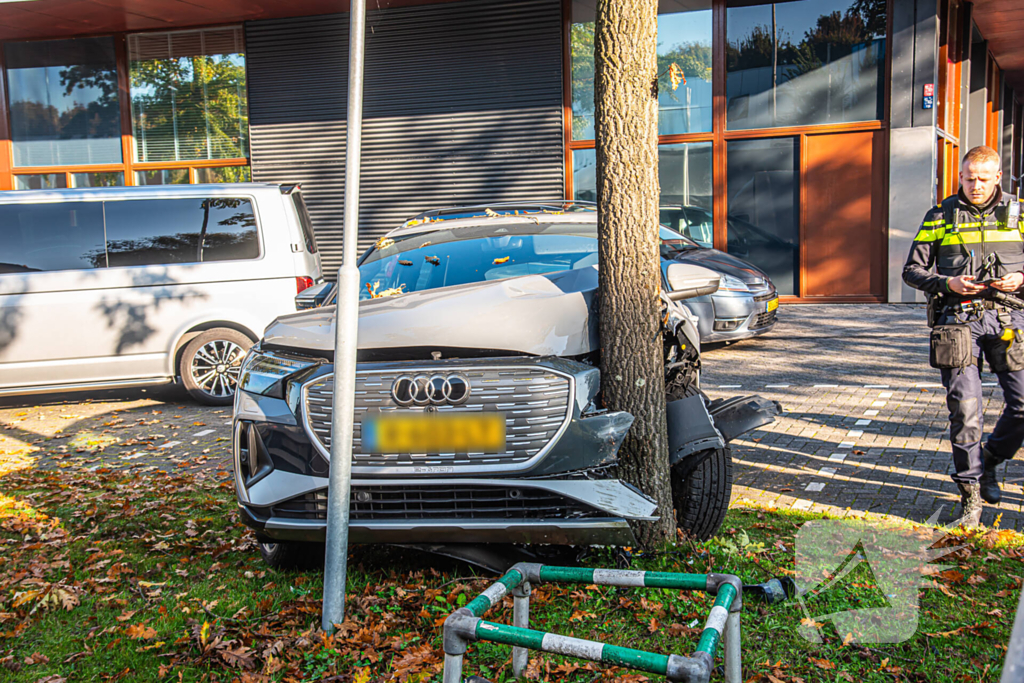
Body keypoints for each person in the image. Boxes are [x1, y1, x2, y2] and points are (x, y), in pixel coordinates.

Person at [903, 145, 1024, 526]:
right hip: (958, 323)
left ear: (998, 178)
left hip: (1008, 320)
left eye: (983, 179)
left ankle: (989, 460)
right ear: (959, 175)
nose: (975, 185)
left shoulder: (1019, 213)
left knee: (1023, 404)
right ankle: (970, 494)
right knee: (965, 411)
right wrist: (947, 282)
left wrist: (1021, 278)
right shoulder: (940, 215)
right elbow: (912, 270)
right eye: (968, 178)